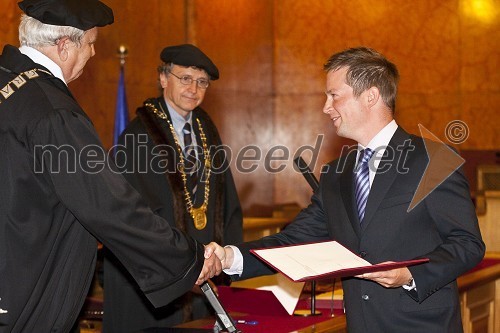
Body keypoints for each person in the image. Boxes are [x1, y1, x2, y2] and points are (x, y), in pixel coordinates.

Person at [207, 47, 485, 332]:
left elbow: (467, 243)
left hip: (422, 324)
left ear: (371, 96)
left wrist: (410, 274)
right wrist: (229, 257)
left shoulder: (433, 160)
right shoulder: (335, 173)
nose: (326, 107)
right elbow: (294, 241)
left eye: (334, 95)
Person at [0, 1, 221, 332]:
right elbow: (108, 204)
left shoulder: (10, 85)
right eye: (90, 44)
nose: (91, 55)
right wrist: (186, 259)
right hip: (24, 287)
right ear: (64, 46)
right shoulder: (53, 111)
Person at [103, 44, 243, 332]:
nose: (193, 88)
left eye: (201, 81)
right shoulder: (139, 135)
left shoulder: (206, 128)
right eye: (185, 78)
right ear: (164, 78)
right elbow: (138, 215)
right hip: (157, 279)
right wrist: (180, 264)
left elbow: (225, 201)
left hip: (204, 271)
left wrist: (223, 260)